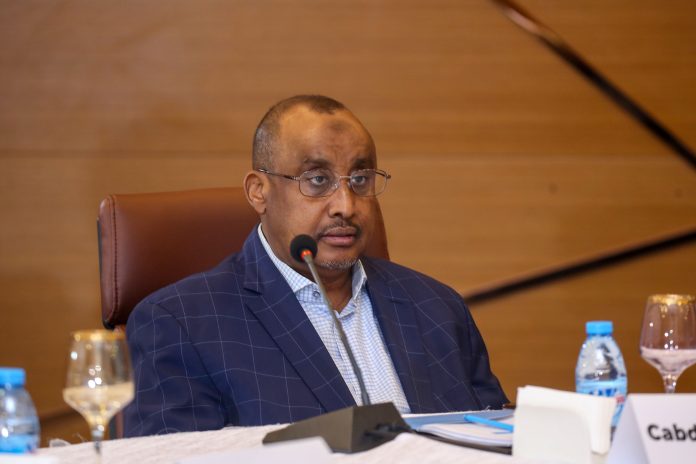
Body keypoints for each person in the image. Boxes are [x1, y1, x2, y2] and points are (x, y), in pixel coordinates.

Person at [123, 95, 508, 437]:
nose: (346, 205)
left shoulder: (437, 308)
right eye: (318, 180)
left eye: (360, 179)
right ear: (259, 192)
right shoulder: (181, 324)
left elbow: (497, 438)